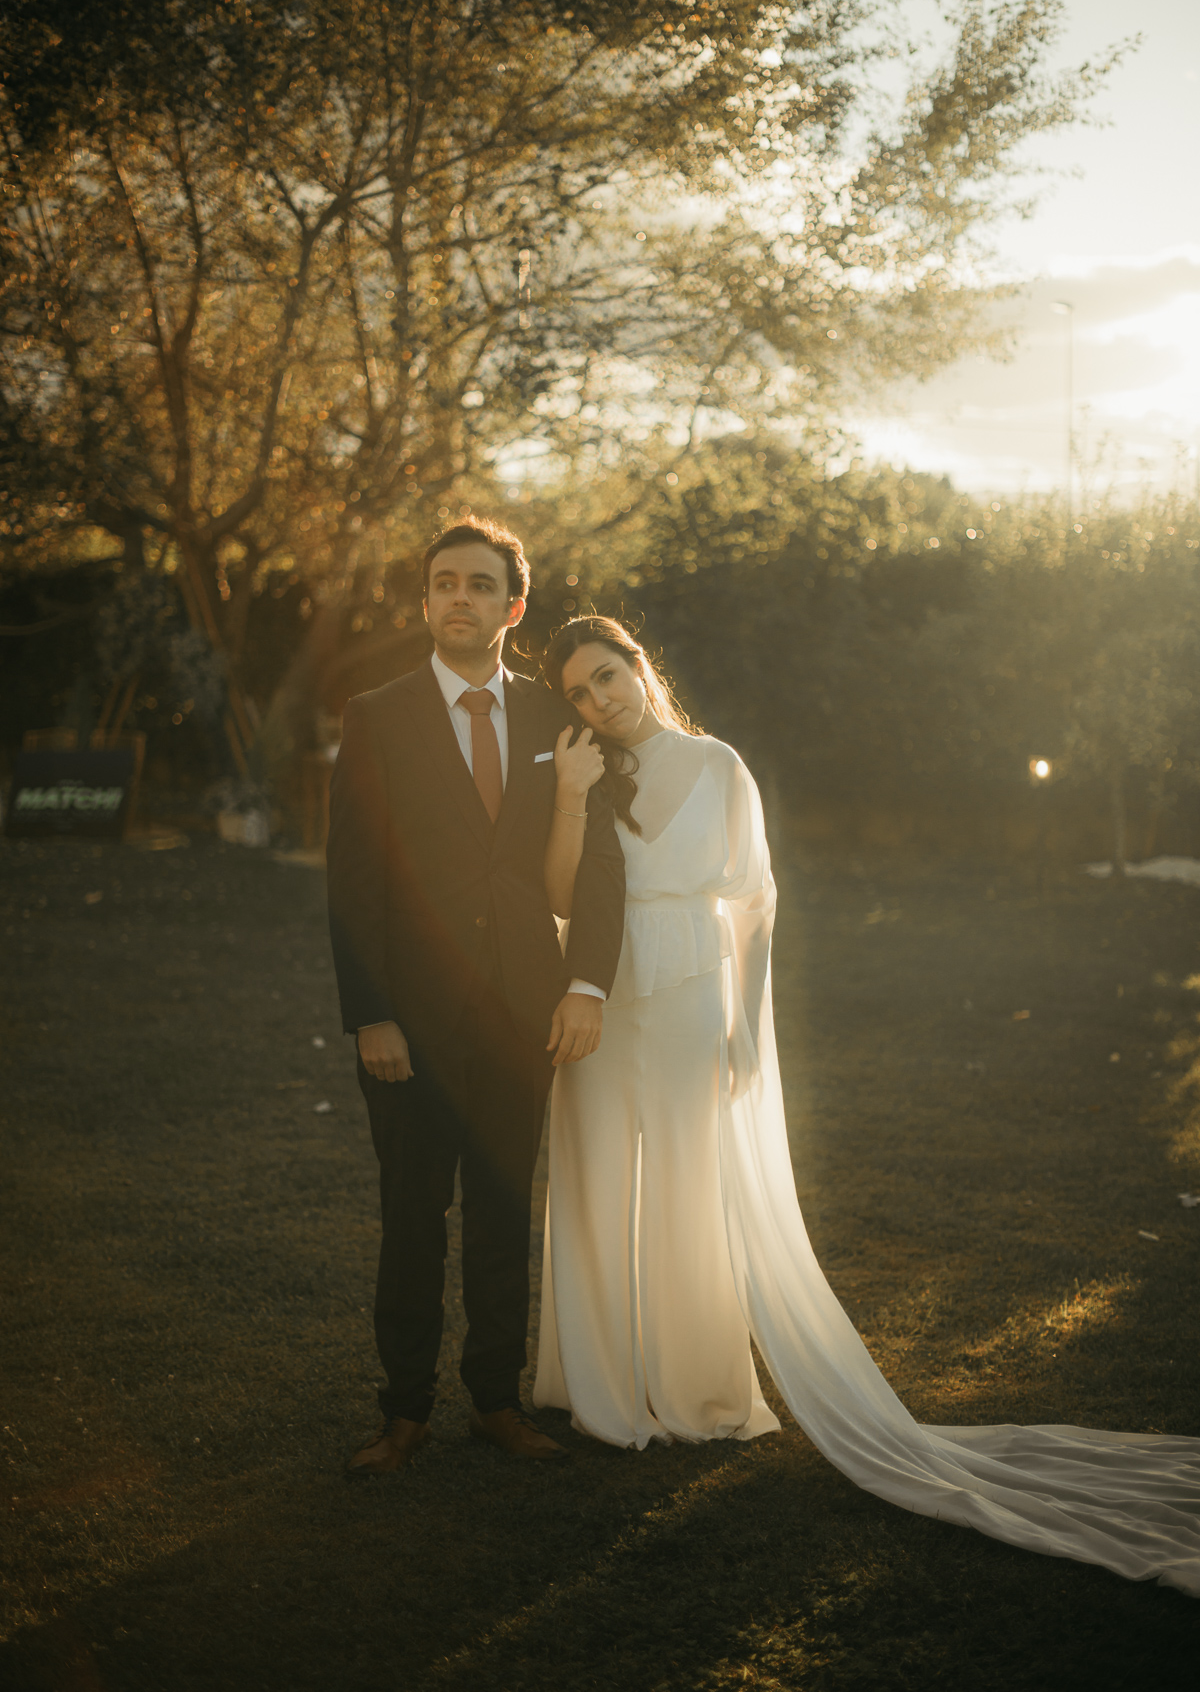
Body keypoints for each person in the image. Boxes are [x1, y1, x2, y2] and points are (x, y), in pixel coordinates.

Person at [533, 614, 1200, 1597]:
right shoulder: (587, 774)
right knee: (591, 1188)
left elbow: (757, 900)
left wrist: (748, 1024)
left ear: (639, 666)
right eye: (579, 694)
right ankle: (595, 1393)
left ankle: (693, 1392)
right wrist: (569, 795)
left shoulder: (718, 766)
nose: (599, 702)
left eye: (607, 677)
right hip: (595, 1006)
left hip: (684, 1002)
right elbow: (556, 895)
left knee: (684, 1191)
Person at [327, 523, 625, 1475]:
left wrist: (586, 981)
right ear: (425, 602)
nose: (460, 598)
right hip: (408, 1023)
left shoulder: (553, 717)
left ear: (513, 607)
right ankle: (402, 1413)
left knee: (503, 1213)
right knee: (412, 1221)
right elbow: (353, 877)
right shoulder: (377, 716)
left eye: (480, 585)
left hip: (519, 1016)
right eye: (443, 583)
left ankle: (496, 1401)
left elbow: (601, 869)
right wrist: (371, 1012)